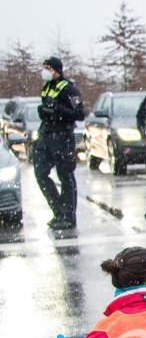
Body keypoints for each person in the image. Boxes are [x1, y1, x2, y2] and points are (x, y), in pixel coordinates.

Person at [34, 56, 85, 230]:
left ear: (56, 70)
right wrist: (44, 111)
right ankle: (58, 211)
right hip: (46, 136)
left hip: (62, 138)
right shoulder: (47, 87)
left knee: (65, 176)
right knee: (40, 173)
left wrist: (59, 109)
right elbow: (45, 109)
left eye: (48, 68)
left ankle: (68, 217)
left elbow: (79, 114)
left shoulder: (68, 89)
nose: (45, 71)